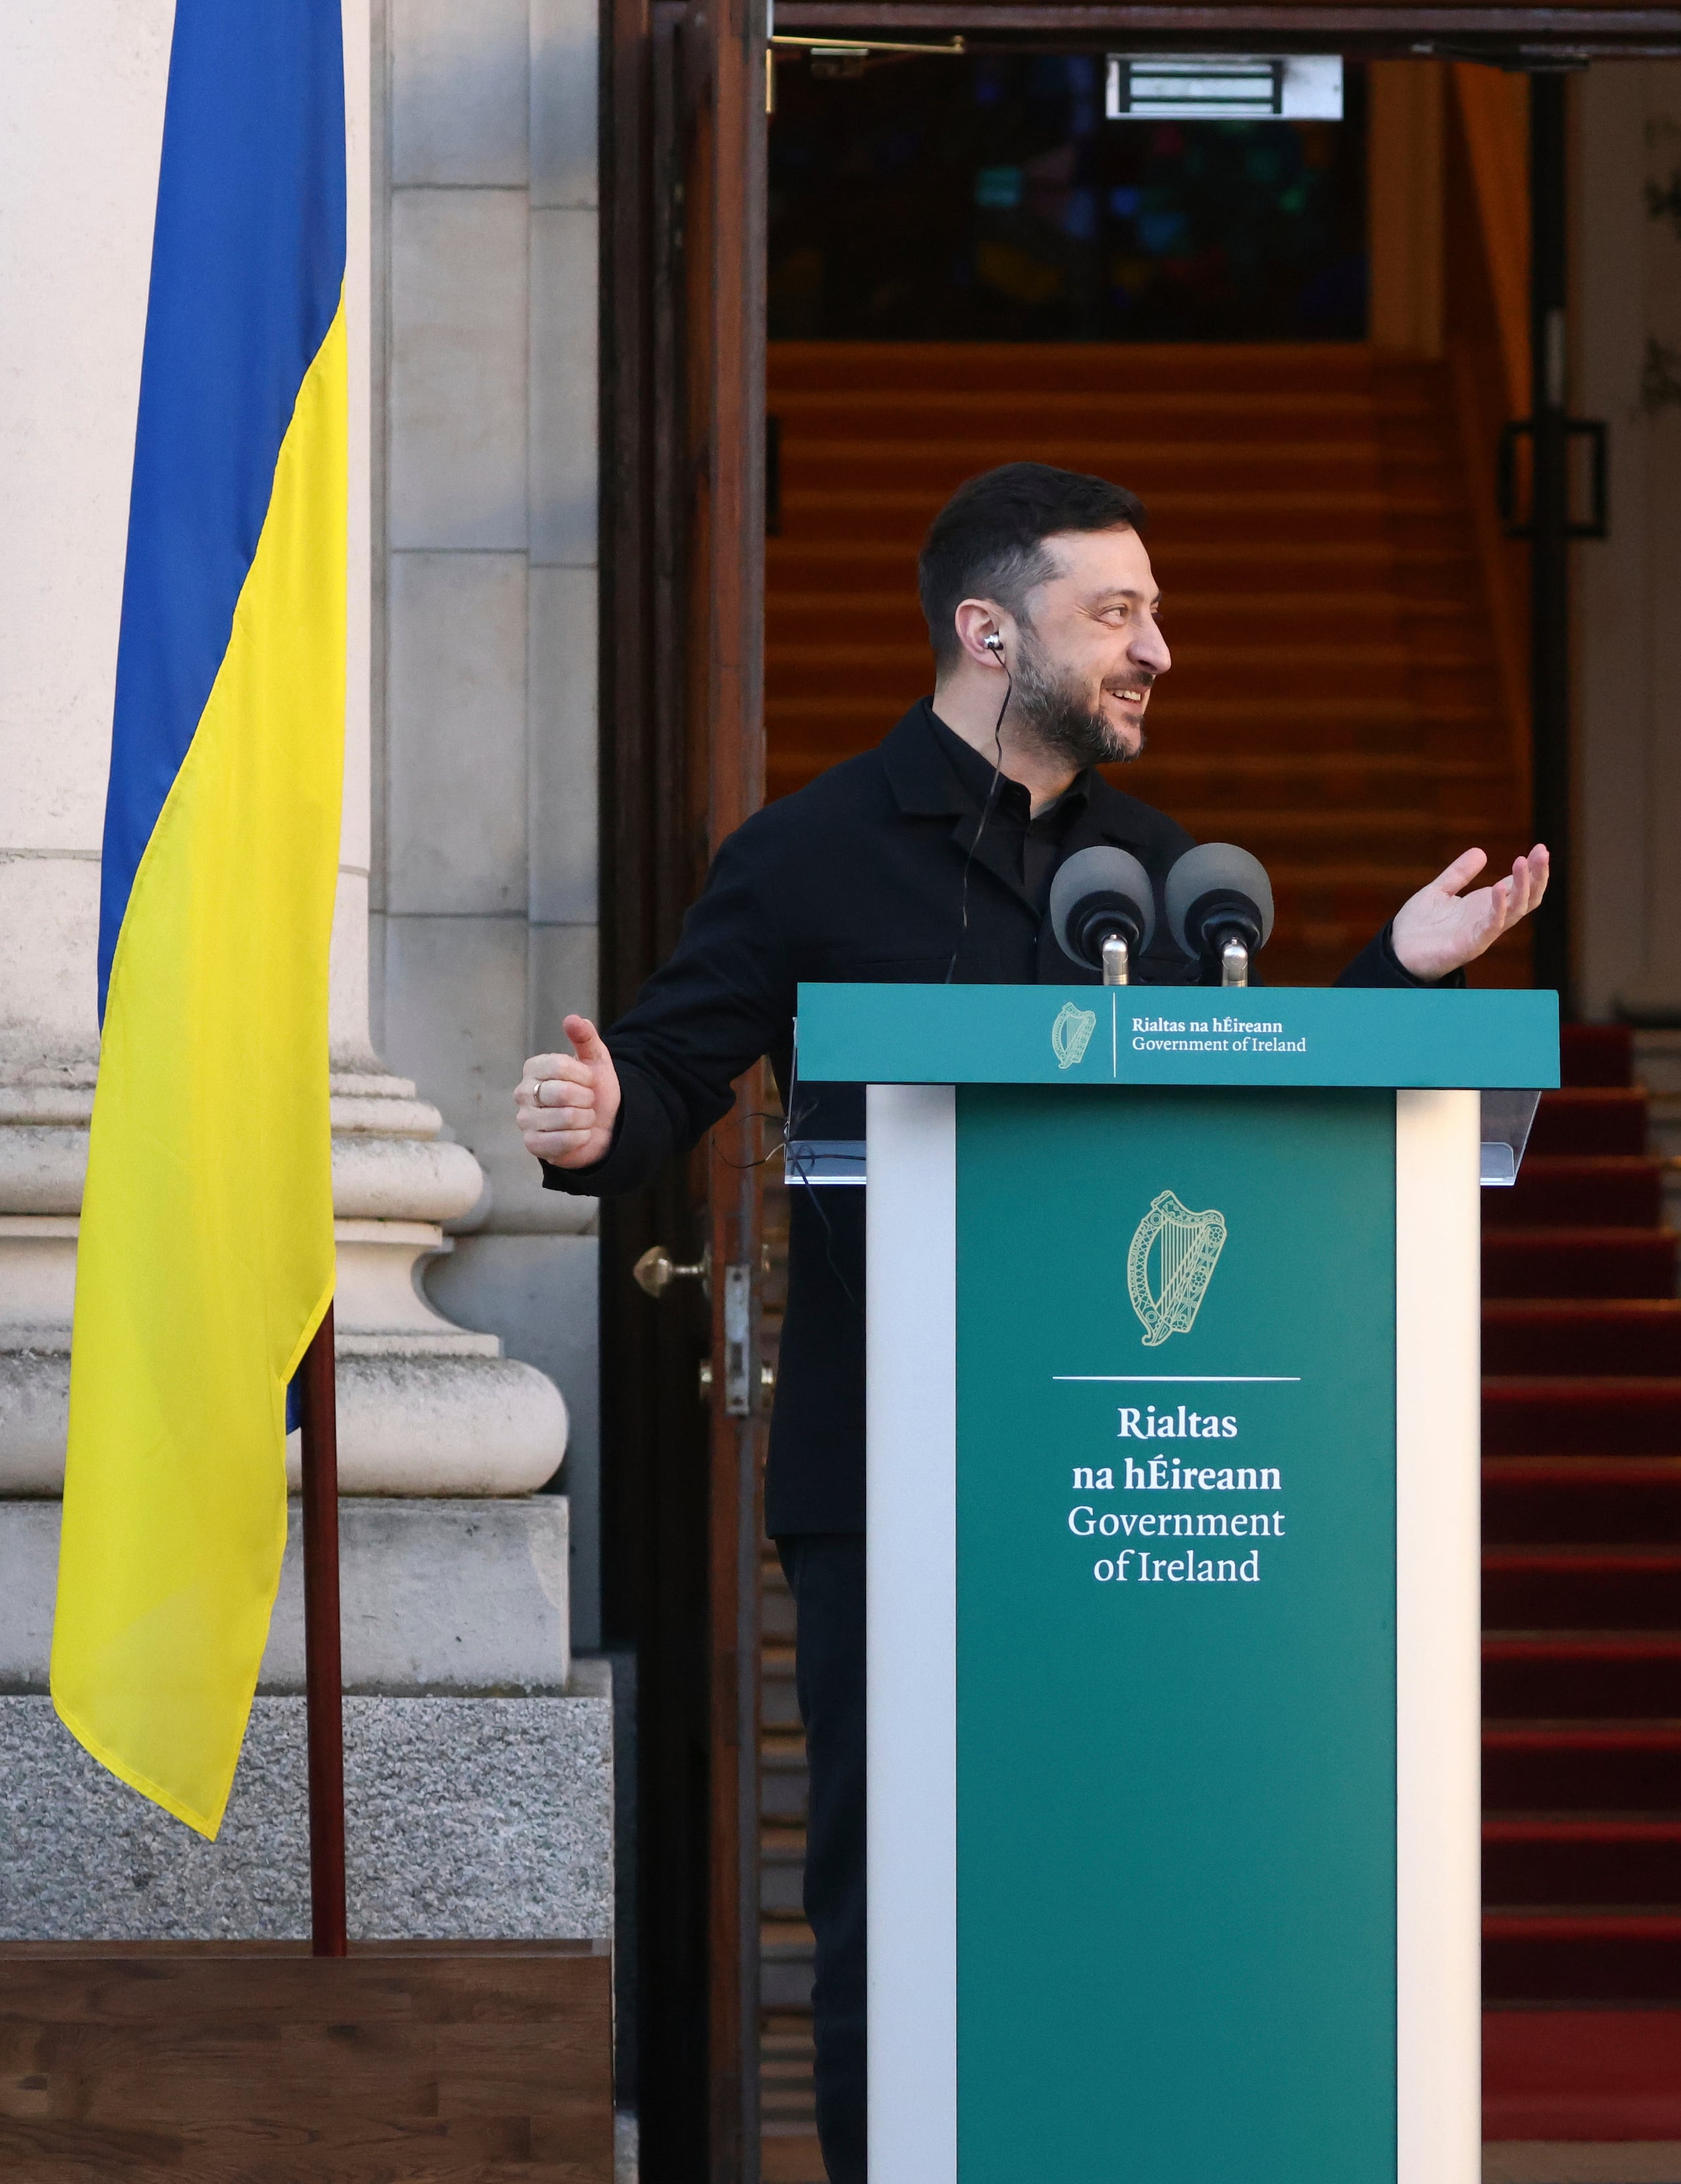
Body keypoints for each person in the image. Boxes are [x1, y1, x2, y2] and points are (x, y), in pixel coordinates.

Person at [512, 462, 1547, 2182]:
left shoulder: (1169, 875)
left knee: (1136, 1860)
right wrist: (602, 1117)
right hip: (898, 1483)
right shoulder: (807, 853)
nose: (1159, 649)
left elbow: (1242, 1114)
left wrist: (1393, 976)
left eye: (1157, 611)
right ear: (989, 631)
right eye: (1116, 612)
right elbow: (670, 1076)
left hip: (1135, 1480)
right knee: (903, 1891)